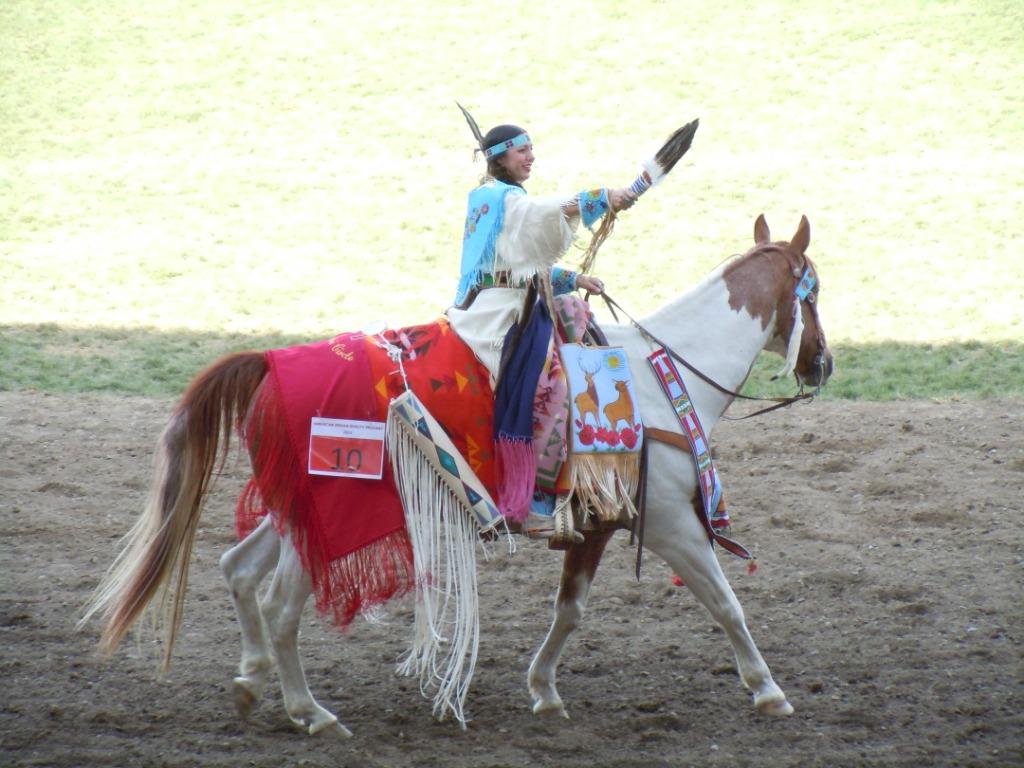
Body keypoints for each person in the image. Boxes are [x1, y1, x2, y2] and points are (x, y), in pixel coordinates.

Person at [446, 116, 637, 539]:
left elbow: (519, 264)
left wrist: (574, 279)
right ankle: (531, 495)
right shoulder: (503, 198)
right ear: (500, 158)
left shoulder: (496, 198)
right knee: (553, 384)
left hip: (507, 303)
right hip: (499, 315)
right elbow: (538, 218)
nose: (531, 157)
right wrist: (600, 198)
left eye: (531, 149)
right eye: (522, 150)